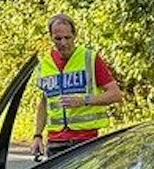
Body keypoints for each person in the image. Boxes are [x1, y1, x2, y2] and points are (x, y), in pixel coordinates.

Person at [30, 13, 122, 160]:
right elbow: (44, 102)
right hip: (55, 142)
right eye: (58, 39)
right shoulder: (45, 64)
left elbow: (115, 94)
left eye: (67, 38)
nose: (63, 43)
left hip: (85, 140)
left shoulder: (90, 58)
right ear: (51, 37)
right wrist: (37, 135)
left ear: (75, 35)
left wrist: (84, 100)